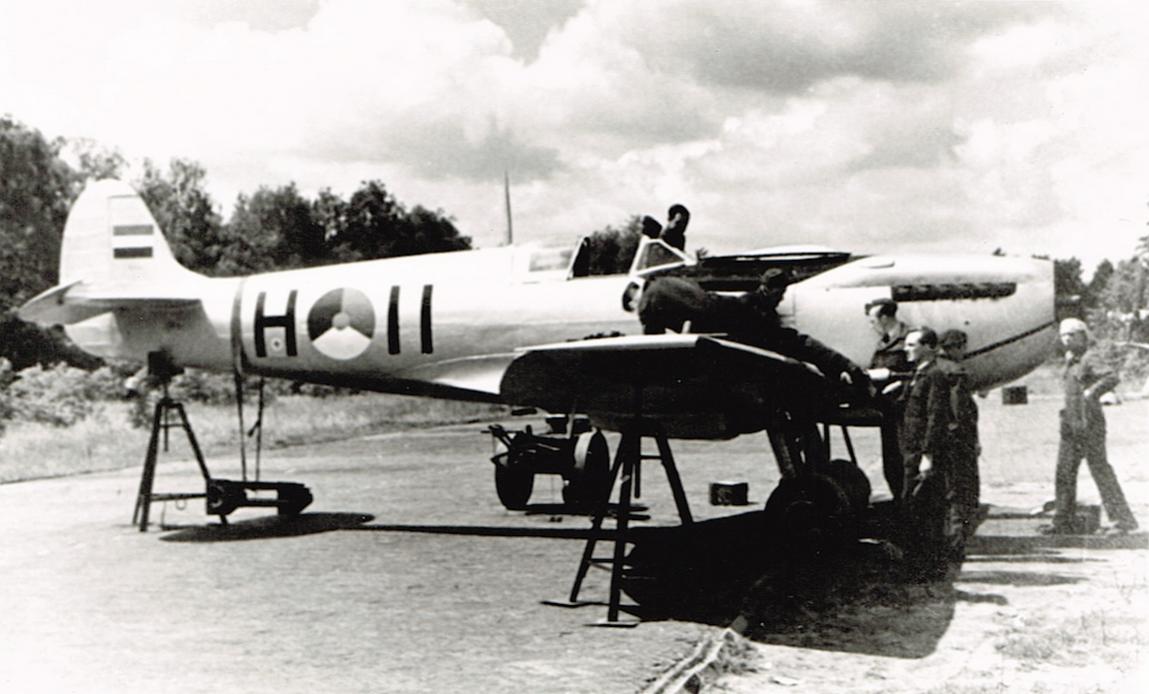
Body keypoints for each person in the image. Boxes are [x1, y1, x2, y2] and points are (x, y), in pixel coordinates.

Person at [1044, 318, 1139, 535]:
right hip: (1070, 425)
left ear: (1083, 336)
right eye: (1064, 335)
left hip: (1089, 425)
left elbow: (1111, 377)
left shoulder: (1090, 358)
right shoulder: (1072, 361)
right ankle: (1063, 521)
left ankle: (1122, 521)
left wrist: (1091, 392)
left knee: (1100, 471)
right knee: (1064, 473)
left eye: (1072, 334)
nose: (1066, 339)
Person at [901, 327, 964, 574]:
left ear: (928, 347)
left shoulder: (934, 376)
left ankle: (929, 566)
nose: (906, 349)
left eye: (911, 345)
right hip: (912, 451)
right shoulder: (918, 374)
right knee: (914, 507)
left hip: (922, 454)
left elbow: (935, 417)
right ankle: (919, 564)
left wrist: (928, 456)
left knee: (925, 509)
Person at [865, 297, 912, 499]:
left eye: (873, 320)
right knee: (891, 463)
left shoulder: (910, 340)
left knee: (907, 460)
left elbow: (922, 374)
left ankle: (914, 507)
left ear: (884, 318)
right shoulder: (882, 342)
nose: (871, 325)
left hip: (907, 413)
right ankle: (901, 503)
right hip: (888, 412)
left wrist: (898, 382)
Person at [938, 328, 981, 540]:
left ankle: (946, 537)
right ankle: (958, 538)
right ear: (957, 348)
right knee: (961, 489)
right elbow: (960, 411)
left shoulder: (932, 368)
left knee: (944, 489)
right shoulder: (956, 372)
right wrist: (971, 440)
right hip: (957, 439)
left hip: (937, 438)